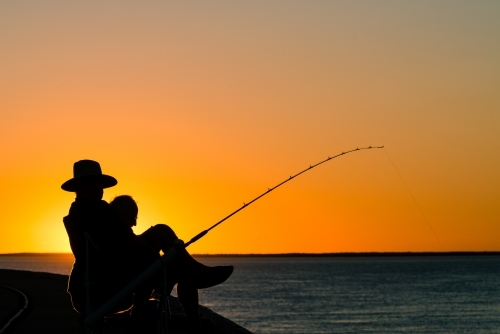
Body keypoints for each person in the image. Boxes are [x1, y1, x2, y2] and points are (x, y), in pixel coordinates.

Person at [62, 160, 233, 334]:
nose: (101, 190)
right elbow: (131, 242)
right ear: (87, 185)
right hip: (102, 288)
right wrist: (162, 258)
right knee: (163, 236)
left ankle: (191, 272)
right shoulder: (99, 211)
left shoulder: (77, 213)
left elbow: (120, 245)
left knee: (175, 264)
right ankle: (194, 285)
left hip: (88, 288)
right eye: (98, 185)